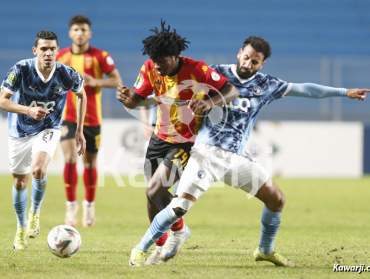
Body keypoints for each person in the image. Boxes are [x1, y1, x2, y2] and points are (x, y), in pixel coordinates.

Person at [128, 36, 370, 267]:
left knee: (276, 200)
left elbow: (304, 89)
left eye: (254, 61)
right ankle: (140, 248)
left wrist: (343, 92)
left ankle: (265, 250)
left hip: (236, 159)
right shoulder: (215, 74)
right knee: (177, 207)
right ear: (239, 53)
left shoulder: (266, 85)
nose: (247, 63)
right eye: (245, 57)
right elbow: (170, 96)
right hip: (206, 154)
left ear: (262, 64)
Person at [116, 21, 239, 265]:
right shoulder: (150, 67)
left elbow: (231, 90)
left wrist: (209, 103)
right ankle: (160, 246)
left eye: (161, 60)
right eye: (154, 60)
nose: (157, 65)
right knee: (153, 197)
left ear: (174, 56)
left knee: (154, 189)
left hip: (184, 143)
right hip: (158, 138)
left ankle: (179, 230)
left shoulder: (198, 70)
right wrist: (127, 101)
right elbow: (137, 101)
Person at [0, 31, 87, 251]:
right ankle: (20, 228)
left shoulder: (66, 73)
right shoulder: (21, 69)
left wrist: (79, 130)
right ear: (35, 51)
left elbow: (82, 94)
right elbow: (3, 101)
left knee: (38, 170)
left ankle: (34, 213)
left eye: (52, 49)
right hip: (19, 131)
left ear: (57, 51)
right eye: (43, 49)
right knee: (20, 182)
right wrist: (27, 110)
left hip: (49, 128)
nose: (48, 53)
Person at [57, 15, 122, 227]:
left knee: (90, 163)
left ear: (89, 33)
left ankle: (89, 206)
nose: (80, 33)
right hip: (68, 117)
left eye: (83, 30)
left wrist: (96, 81)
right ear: (70, 33)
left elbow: (117, 81)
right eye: (76, 29)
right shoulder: (61, 56)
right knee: (69, 159)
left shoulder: (100, 56)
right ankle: (70, 207)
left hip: (92, 120)